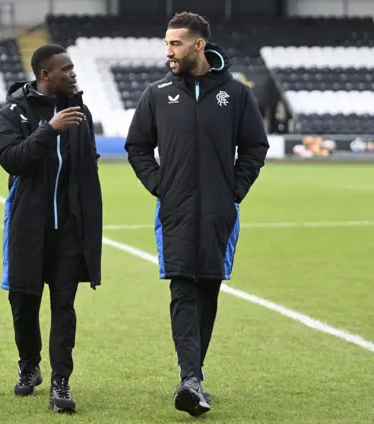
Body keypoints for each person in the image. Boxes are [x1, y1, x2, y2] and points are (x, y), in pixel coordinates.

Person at [124, 12, 269, 417]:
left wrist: (234, 190)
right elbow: (137, 146)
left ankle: (194, 378)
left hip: (220, 212)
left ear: (199, 45)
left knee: (208, 290)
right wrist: (159, 185)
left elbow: (255, 148)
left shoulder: (236, 95)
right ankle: (189, 377)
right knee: (183, 288)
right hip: (175, 210)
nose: (168, 51)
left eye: (175, 44)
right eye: (167, 43)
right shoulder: (157, 93)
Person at [0, 44, 103, 413]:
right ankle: (29, 365)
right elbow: (11, 160)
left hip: (68, 232)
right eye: (66, 69)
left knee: (64, 307)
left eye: (73, 68)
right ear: (45, 75)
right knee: (23, 302)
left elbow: (87, 163)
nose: (73, 74)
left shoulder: (80, 112)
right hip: (28, 226)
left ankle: (61, 381)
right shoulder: (14, 111)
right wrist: (49, 130)